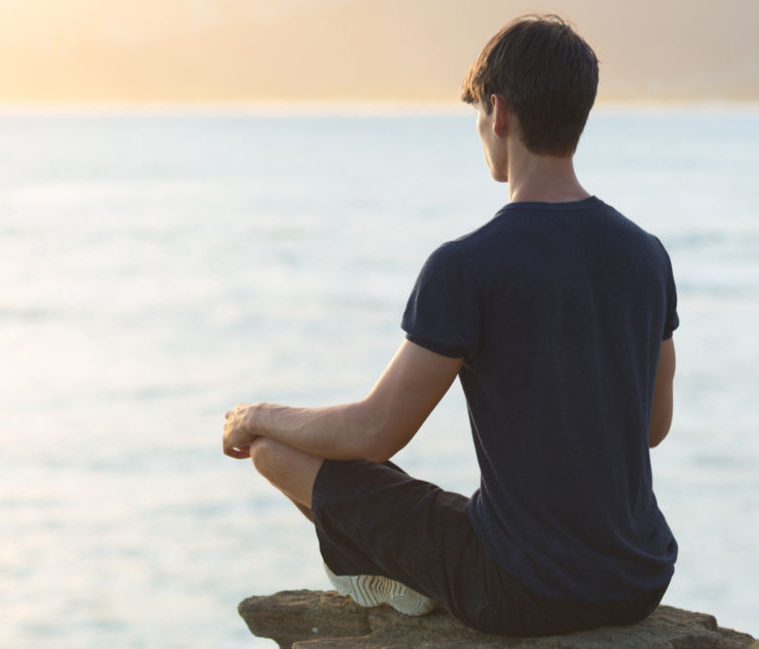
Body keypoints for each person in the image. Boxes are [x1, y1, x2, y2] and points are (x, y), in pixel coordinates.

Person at [221, 14, 678, 637]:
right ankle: (404, 570)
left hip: (521, 591)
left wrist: (257, 415)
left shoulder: (467, 265)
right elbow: (652, 427)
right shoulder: (647, 254)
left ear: (498, 112)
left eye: (479, 116)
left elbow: (376, 431)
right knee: (441, 507)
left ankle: (392, 574)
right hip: (639, 578)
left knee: (274, 453)